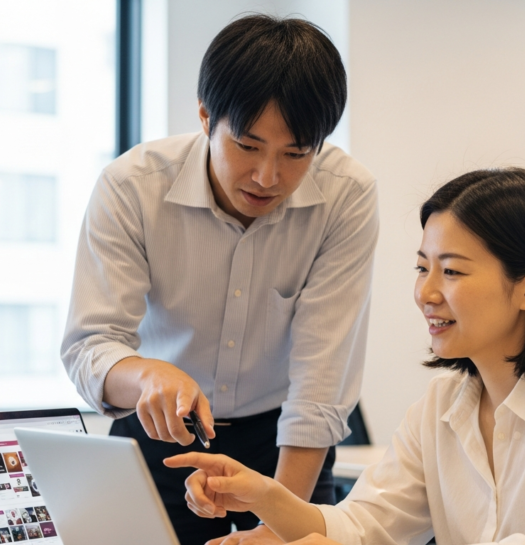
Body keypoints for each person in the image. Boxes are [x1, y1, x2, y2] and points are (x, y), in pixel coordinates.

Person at [166, 168, 525, 544]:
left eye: (451, 272)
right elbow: (364, 524)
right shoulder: (446, 403)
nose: (426, 293)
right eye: (422, 268)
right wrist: (267, 499)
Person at [61, 13, 377, 545]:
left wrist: (282, 521)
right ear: (207, 118)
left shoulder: (346, 196)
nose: (268, 176)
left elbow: (323, 375)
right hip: (157, 432)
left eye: (296, 153)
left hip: (284, 441)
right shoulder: (132, 186)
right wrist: (147, 375)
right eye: (248, 147)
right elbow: (90, 344)